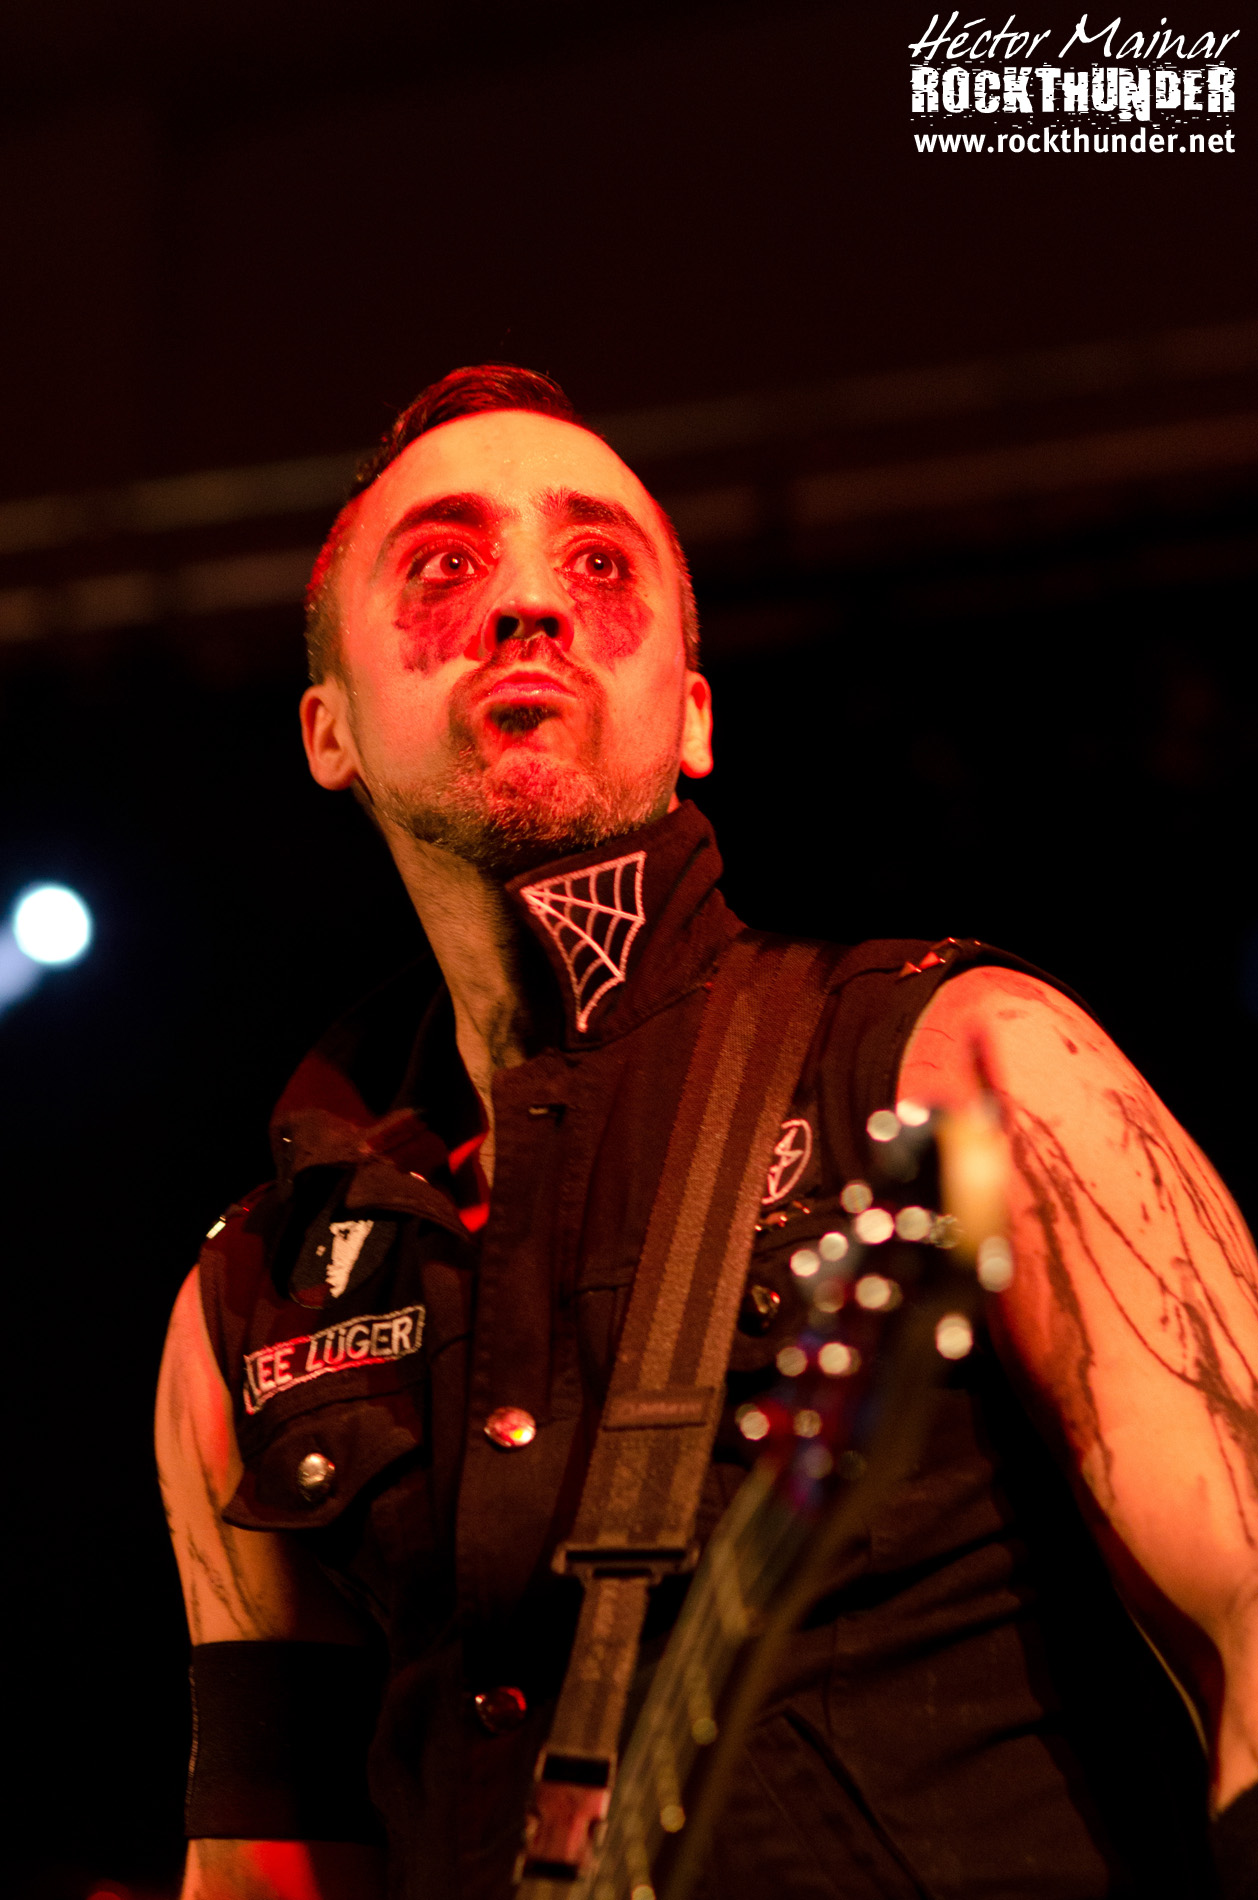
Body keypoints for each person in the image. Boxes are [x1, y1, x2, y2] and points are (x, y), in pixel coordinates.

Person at [156, 365, 1258, 1900]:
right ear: (328, 728)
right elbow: (261, 1864)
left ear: (691, 715)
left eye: (597, 564)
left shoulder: (962, 1064)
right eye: (444, 564)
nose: (525, 603)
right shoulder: (253, 1298)